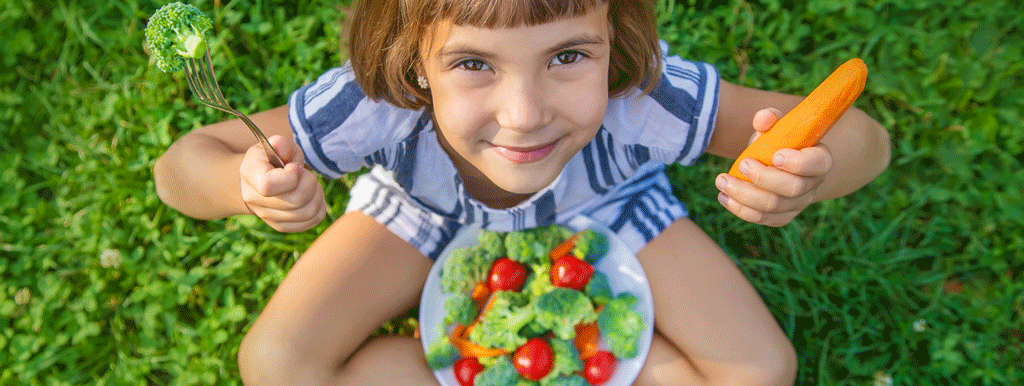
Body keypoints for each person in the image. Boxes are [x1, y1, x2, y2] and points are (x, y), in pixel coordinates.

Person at [153, 0, 890, 384]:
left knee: (760, 369)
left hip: (609, 204)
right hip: (422, 212)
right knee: (276, 363)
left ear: (616, 42)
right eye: (474, 63)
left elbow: (864, 141)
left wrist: (811, 169)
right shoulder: (376, 107)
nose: (525, 114)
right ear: (412, 63)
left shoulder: (643, 94)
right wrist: (244, 183)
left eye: (568, 56)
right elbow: (182, 167)